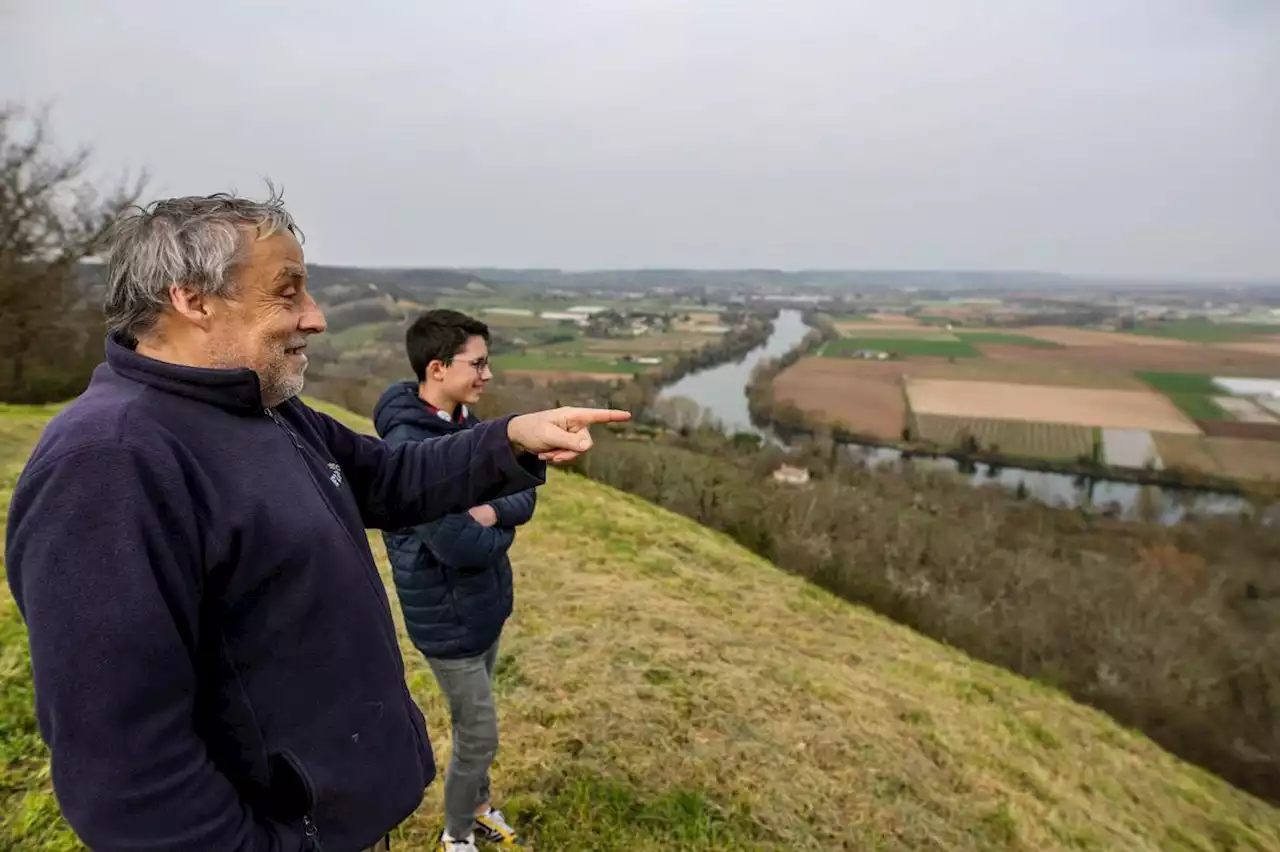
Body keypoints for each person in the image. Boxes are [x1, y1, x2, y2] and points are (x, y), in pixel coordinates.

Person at [3, 188, 629, 852]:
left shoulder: (261, 407)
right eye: (288, 292)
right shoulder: (110, 466)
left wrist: (512, 439)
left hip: (341, 820)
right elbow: (124, 770)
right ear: (192, 298)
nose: (316, 316)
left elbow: (387, 478)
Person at [373, 310, 530, 851]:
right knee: (479, 734)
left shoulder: (465, 422)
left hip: (482, 608)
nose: (487, 374)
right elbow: (457, 544)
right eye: (478, 363)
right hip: (448, 620)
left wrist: (489, 511)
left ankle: (479, 806)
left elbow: (524, 492)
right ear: (438, 368)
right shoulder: (410, 448)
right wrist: (497, 522)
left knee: (477, 731)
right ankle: (457, 836)